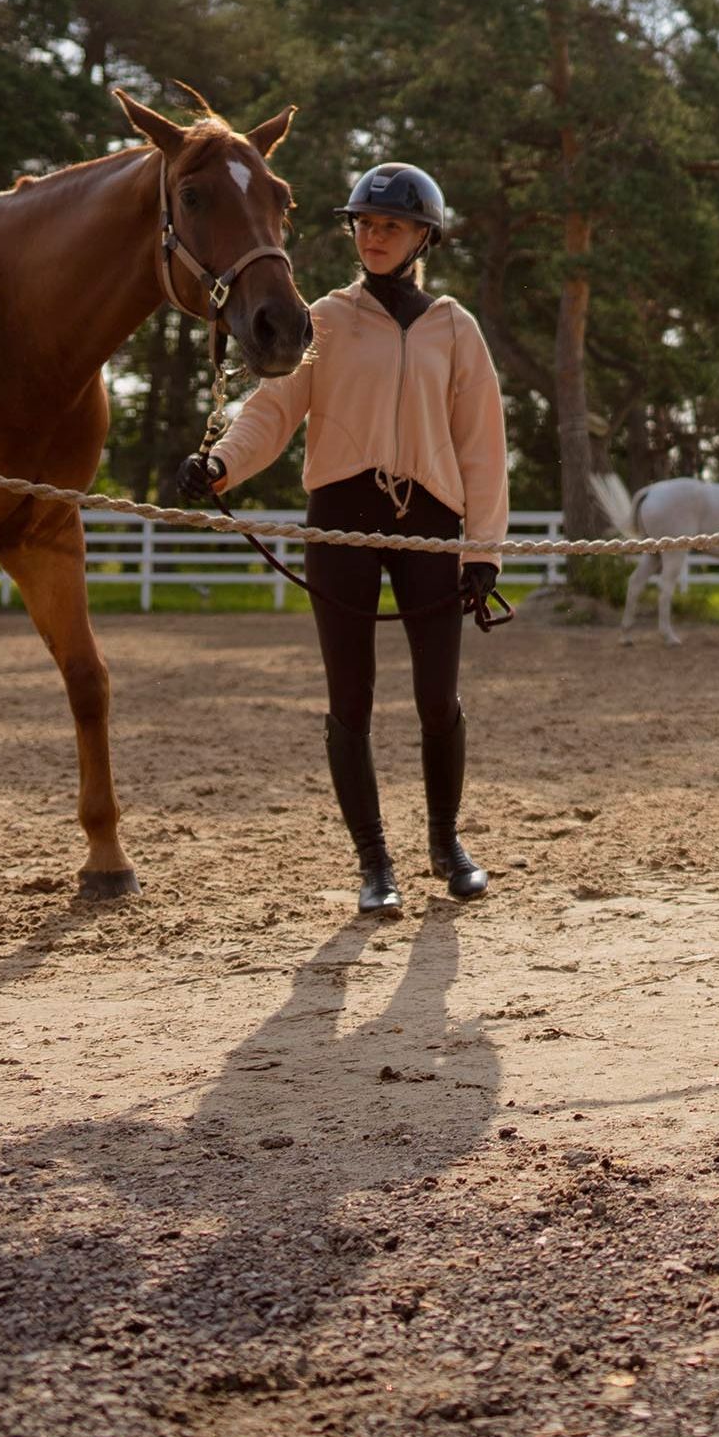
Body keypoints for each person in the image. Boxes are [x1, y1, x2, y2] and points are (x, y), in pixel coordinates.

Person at [172, 163, 509, 916]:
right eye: (364, 223)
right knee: (349, 697)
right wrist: (221, 463)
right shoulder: (321, 316)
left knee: (436, 697)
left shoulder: (455, 327)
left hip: (429, 522)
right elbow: (271, 409)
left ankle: (446, 843)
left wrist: (482, 549)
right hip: (341, 517)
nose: (374, 235)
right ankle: (374, 863)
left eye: (390, 225)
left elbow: (482, 444)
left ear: (425, 235)